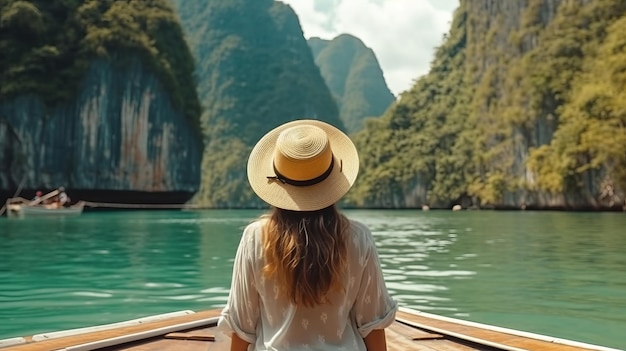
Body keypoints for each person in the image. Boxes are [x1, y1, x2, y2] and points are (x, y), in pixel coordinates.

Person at [218, 119, 397, 351]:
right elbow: (372, 324)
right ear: (333, 178)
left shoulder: (255, 238)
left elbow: (242, 326)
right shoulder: (358, 238)